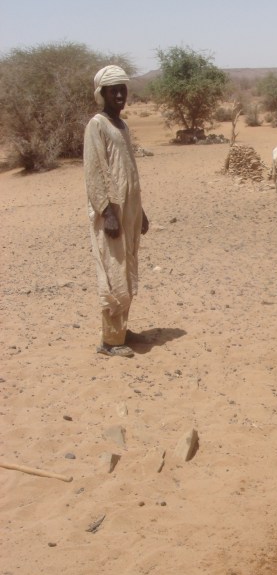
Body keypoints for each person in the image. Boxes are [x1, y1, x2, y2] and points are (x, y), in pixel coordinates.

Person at [83, 65, 149, 357]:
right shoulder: (96, 125)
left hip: (129, 210)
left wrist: (140, 211)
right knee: (113, 269)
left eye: (123, 89)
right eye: (114, 91)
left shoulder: (122, 125)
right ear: (103, 94)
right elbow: (94, 172)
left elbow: (129, 172)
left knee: (127, 264)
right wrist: (107, 212)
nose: (120, 95)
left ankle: (120, 329)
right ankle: (110, 342)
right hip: (111, 212)